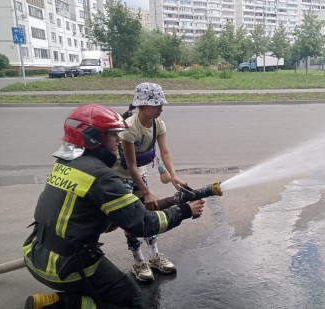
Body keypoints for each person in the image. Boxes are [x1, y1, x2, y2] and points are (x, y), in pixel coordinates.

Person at [23, 104, 204, 309]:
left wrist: (167, 201)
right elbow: (144, 224)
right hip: (64, 266)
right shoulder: (101, 176)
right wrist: (185, 210)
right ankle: (59, 304)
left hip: (35, 251)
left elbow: (85, 211)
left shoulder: (65, 164)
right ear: (93, 138)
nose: (119, 140)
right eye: (112, 135)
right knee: (131, 300)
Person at [114, 82, 186, 282]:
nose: (161, 109)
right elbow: (131, 166)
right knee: (132, 217)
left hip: (140, 174)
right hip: (122, 177)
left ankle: (154, 256)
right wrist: (146, 192)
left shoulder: (158, 124)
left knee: (148, 212)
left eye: (161, 104)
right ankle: (138, 260)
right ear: (143, 106)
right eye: (157, 105)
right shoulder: (128, 128)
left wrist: (174, 176)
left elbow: (164, 152)